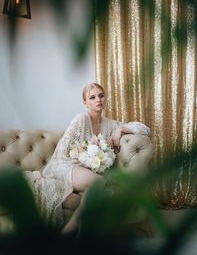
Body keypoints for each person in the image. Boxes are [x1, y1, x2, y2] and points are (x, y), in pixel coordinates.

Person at [24, 83, 151, 233]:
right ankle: (72, 230)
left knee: (95, 189)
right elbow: (63, 153)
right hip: (66, 166)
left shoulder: (110, 124)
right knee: (100, 183)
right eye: (92, 97)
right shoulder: (81, 119)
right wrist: (86, 160)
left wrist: (120, 130)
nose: (98, 100)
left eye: (101, 95)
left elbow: (145, 129)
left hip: (86, 170)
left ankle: (76, 231)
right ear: (85, 102)